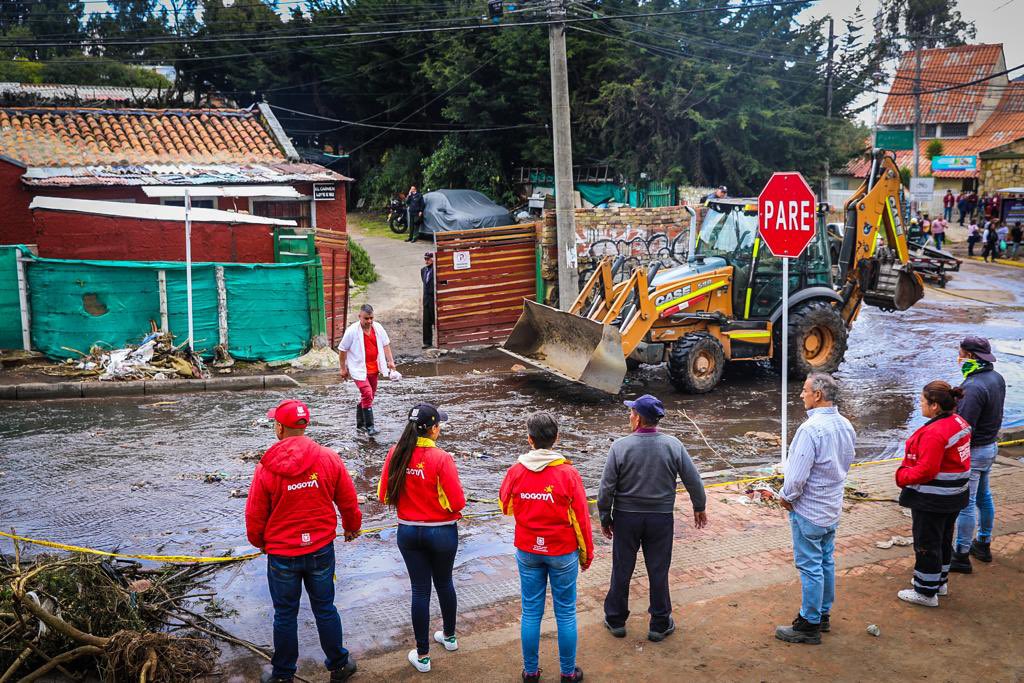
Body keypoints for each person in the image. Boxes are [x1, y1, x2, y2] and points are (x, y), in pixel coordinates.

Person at [246, 399, 362, 683]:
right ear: (304, 425)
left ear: (279, 428)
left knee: (285, 614)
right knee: (325, 608)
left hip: (282, 555)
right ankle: (339, 666)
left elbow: (254, 514)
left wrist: (260, 542)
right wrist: (351, 527)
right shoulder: (329, 458)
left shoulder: (267, 467)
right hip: (321, 549)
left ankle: (283, 675)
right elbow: (348, 501)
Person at [598, 394, 707, 642]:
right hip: (660, 518)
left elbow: (606, 488)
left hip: (626, 518)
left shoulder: (620, 447)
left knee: (622, 568)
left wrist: (605, 517)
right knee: (658, 570)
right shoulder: (673, 445)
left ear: (637, 418)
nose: (629, 415)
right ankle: (659, 623)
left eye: (631, 412)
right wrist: (699, 506)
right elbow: (693, 479)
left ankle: (615, 620)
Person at [499, 413, 593, 683]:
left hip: (528, 550)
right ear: (557, 438)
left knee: (530, 611)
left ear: (529, 439)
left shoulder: (516, 471)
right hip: (562, 552)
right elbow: (582, 520)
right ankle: (567, 672)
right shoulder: (568, 473)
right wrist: (586, 555)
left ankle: (530, 672)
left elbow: (505, 505)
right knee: (565, 611)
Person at [378, 403, 466, 673]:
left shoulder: (396, 453)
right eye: (439, 425)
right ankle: (449, 638)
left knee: (419, 590)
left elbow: (383, 495)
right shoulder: (442, 458)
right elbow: (457, 502)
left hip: (408, 532)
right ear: (433, 429)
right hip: (441, 533)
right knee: (444, 582)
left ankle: (423, 655)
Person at [774, 374, 857, 645]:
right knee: (826, 562)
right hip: (831, 507)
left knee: (810, 566)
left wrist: (786, 497)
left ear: (818, 395)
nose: (801, 395)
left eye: (805, 390)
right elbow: (845, 464)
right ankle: (822, 615)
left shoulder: (810, 429)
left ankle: (808, 623)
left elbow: (796, 476)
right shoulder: (845, 425)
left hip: (809, 510)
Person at [895, 381, 971, 607]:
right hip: (955, 496)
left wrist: (902, 477)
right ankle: (939, 582)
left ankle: (926, 592)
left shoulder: (935, 433)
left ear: (935, 405)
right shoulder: (959, 422)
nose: (920, 405)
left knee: (927, 543)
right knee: (944, 538)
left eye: (922, 401)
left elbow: (927, 469)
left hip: (932, 499)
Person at [951, 336, 1006, 573]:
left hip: (974, 452)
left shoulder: (972, 387)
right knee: (984, 496)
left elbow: (964, 426)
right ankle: (983, 543)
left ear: (971, 356)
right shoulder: (996, 378)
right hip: (990, 447)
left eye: (961, 353)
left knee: (967, 504)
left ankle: (961, 554)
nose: (959, 358)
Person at [338, 304, 396, 436]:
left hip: (374, 368)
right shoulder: (352, 331)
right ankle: (370, 427)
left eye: (371, 318)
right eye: (366, 318)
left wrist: (390, 361)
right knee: (368, 393)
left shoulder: (378, 328)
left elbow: (386, 344)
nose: (369, 321)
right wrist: (343, 369)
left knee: (369, 396)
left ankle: (360, 424)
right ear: (359, 317)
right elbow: (342, 350)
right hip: (358, 369)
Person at [421, 252, 435, 349]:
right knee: (426, 322)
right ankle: (427, 342)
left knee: (436, 321)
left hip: (435, 300)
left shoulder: (437, 270)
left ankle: (442, 341)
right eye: (425, 259)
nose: (427, 261)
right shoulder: (423, 270)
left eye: (428, 259)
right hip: (426, 299)